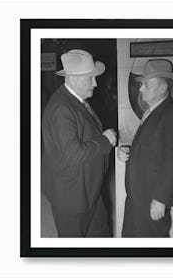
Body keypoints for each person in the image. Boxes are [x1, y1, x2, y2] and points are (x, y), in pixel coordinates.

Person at [42, 49, 117, 237]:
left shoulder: (76, 100)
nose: (95, 83)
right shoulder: (61, 108)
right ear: (74, 78)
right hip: (72, 198)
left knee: (100, 235)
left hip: (88, 189)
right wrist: (105, 140)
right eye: (90, 79)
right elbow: (73, 154)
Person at [118, 59, 173, 237]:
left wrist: (161, 199)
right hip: (137, 196)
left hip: (152, 198)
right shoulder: (152, 111)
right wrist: (128, 151)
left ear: (162, 87)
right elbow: (152, 149)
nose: (140, 89)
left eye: (145, 85)